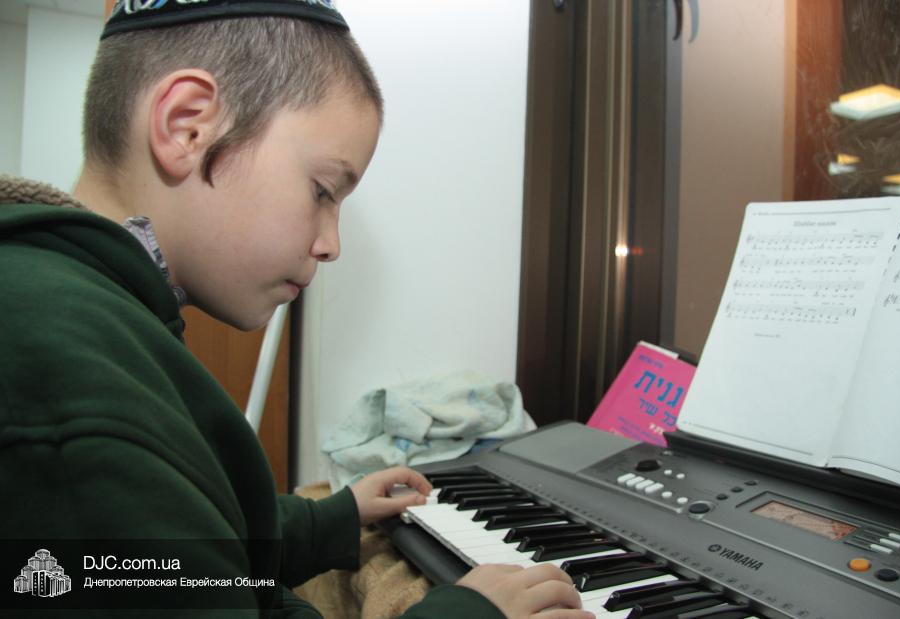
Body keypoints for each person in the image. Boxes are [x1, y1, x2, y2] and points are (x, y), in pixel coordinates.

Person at [0, 1, 594, 618]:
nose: (331, 244)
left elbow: (185, 554)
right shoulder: (63, 384)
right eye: (322, 191)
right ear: (187, 127)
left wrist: (326, 520)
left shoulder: (99, 316)